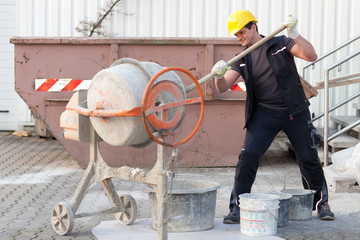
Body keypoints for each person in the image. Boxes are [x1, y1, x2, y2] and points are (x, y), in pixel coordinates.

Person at [211, 9, 335, 224]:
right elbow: (222, 88)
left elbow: (310, 55)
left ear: (254, 27)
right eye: (235, 34)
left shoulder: (280, 43)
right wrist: (218, 76)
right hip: (264, 114)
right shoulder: (242, 58)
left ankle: (321, 203)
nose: (239, 37)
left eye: (241, 32)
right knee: (248, 157)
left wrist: (295, 34)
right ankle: (237, 208)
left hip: (294, 111)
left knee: (308, 158)